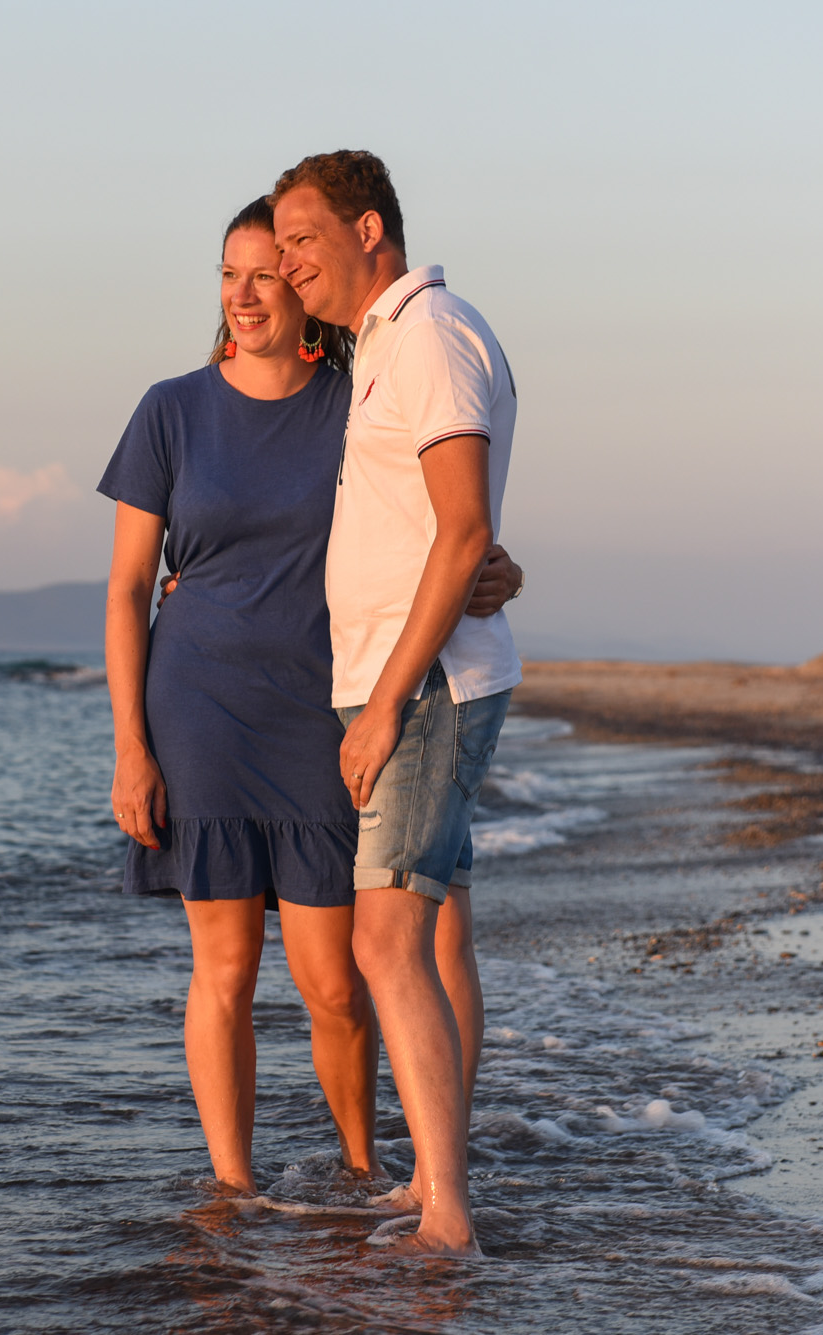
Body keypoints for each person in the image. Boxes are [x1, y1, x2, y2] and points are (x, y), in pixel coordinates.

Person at [100, 196, 524, 1199]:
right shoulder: (169, 409)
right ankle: (233, 1192)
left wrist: (493, 573)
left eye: (269, 271)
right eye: (228, 273)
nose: (246, 292)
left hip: (324, 706)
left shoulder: (357, 390)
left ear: (301, 285)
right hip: (195, 706)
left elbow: (440, 516)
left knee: (336, 980)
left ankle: (364, 1168)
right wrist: (129, 745)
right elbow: (126, 588)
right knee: (224, 969)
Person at [271, 150, 522, 1257]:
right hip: (412, 680)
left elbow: (462, 526)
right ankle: (433, 1185)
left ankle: (448, 1219)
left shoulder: (426, 334)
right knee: (423, 944)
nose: (285, 267)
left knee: (383, 944)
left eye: (300, 240)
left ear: (368, 230)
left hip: (423, 688)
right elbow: (442, 530)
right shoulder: (380, 345)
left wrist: (380, 705)